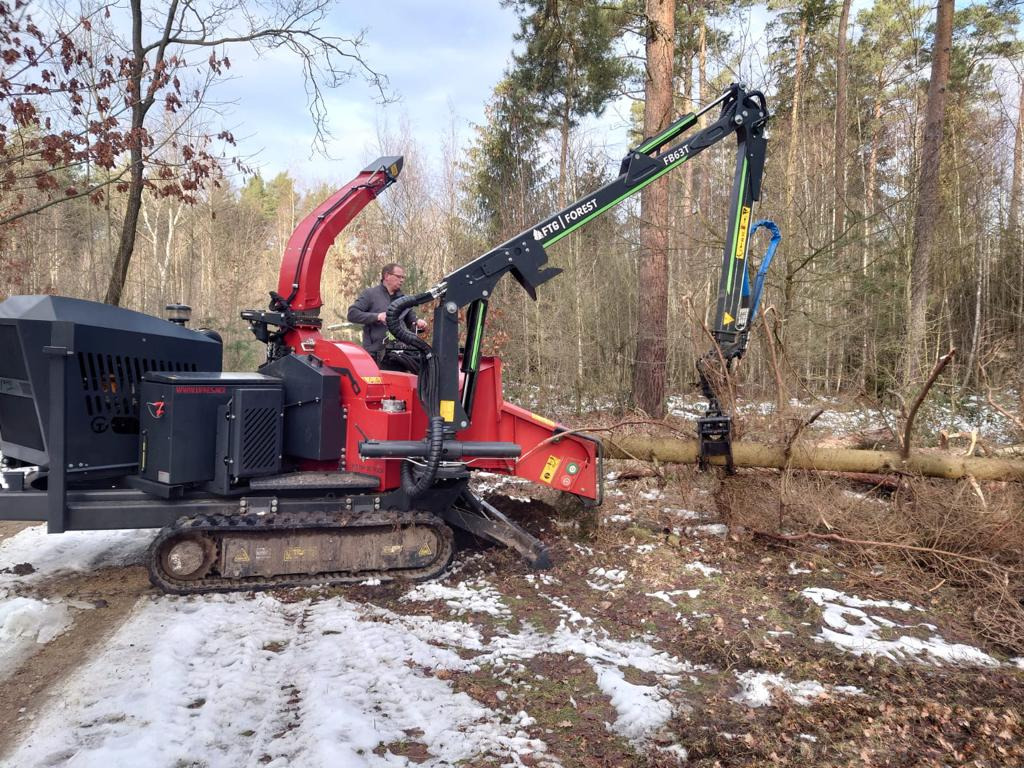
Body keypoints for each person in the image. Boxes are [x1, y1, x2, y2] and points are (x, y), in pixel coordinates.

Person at [347, 262, 427, 372]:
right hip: (374, 355)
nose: (402, 280)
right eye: (399, 276)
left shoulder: (403, 300)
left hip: (400, 356)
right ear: (386, 276)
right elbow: (352, 314)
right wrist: (378, 316)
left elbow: (412, 321)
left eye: (403, 277)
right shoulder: (370, 294)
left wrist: (418, 323)